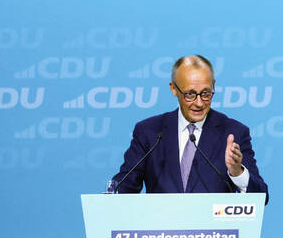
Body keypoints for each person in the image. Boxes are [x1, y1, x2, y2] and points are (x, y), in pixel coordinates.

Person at [109, 55, 269, 203]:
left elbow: (261, 197)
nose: (199, 103)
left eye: (206, 93)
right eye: (190, 94)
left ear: (213, 86)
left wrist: (237, 172)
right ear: (173, 89)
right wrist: (110, 197)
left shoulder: (234, 132)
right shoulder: (149, 132)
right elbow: (124, 187)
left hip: (212, 225)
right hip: (161, 224)